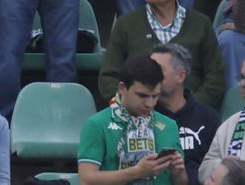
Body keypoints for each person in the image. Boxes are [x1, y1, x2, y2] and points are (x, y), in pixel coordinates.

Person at [105, 0, 226, 108]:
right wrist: (133, 106)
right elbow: (108, 77)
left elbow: (215, 79)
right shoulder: (126, 24)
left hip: (190, 114)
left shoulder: (201, 24)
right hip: (137, 114)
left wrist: (190, 109)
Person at [81, 54, 189, 185]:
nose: (149, 104)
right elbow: (86, 180)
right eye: (142, 95)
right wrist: (138, 172)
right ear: (122, 88)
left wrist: (179, 173)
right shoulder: (97, 125)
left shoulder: (169, 125)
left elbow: (181, 183)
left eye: (155, 96)